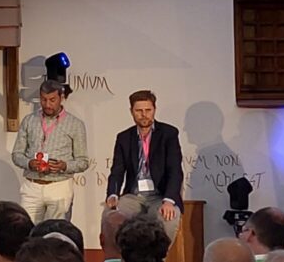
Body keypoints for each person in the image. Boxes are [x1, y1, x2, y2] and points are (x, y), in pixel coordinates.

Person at [106, 90, 184, 241]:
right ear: (131, 111)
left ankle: (159, 253)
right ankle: (122, 253)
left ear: (154, 109)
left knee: (168, 216)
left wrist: (169, 200)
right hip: (133, 196)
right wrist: (113, 194)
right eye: (139, 111)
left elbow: (175, 170)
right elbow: (117, 170)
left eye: (148, 110)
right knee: (111, 217)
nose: (144, 115)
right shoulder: (124, 137)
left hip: (160, 196)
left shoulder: (169, 134)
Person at [12, 78, 89, 222]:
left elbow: (83, 161)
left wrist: (64, 166)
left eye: (52, 100)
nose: (47, 104)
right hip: (32, 186)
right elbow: (17, 154)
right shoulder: (29, 120)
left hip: (59, 186)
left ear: (61, 97)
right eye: (43, 99)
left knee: (56, 230)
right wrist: (29, 163)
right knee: (26, 229)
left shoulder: (75, 124)